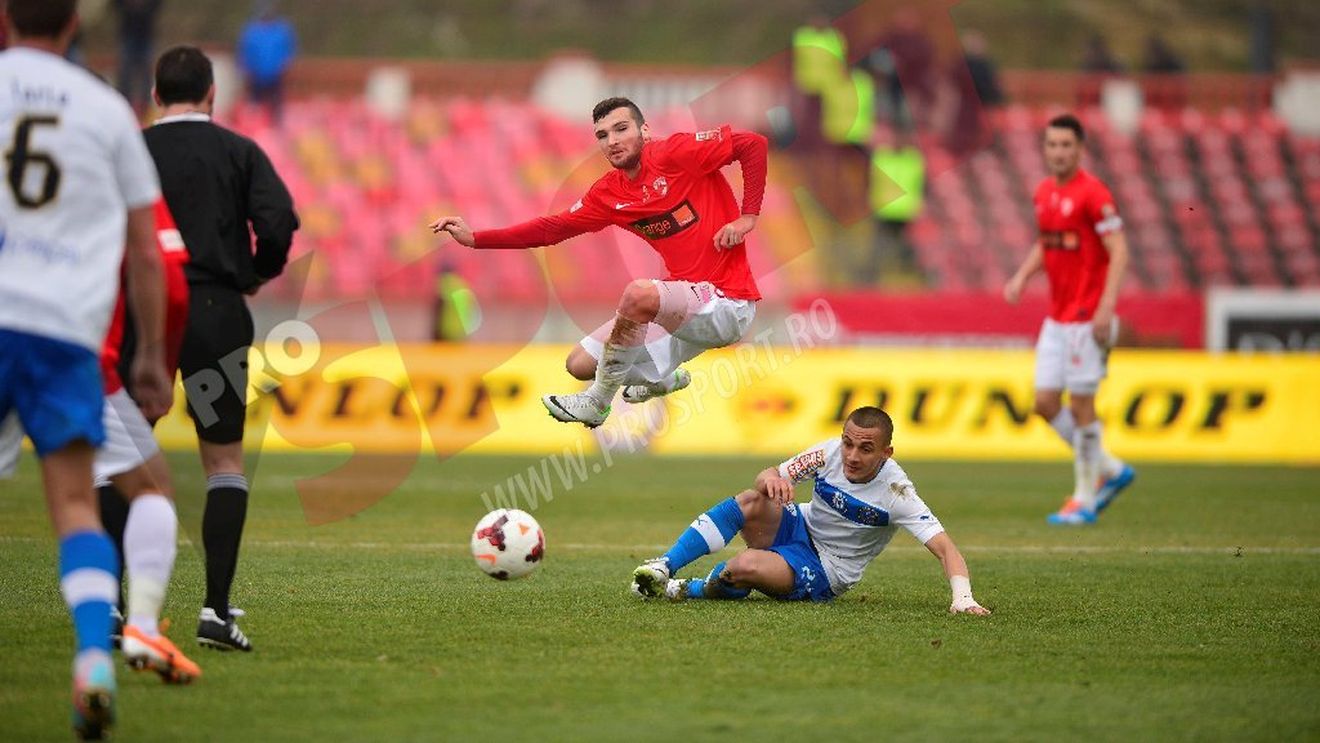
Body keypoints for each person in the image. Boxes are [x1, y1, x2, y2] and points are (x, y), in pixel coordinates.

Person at [0, 0, 172, 737]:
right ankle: (93, 657)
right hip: (65, 334)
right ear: (75, 24)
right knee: (75, 504)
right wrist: (149, 355)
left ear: (6, 17)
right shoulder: (107, 113)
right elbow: (145, 249)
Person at [429, 97, 768, 429]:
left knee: (638, 294)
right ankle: (660, 379)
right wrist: (476, 238)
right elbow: (552, 229)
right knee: (578, 364)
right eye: (603, 135)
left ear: (645, 130)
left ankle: (598, 401)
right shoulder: (609, 193)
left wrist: (747, 216)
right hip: (682, 308)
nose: (613, 141)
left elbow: (752, 145)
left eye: (621, 129)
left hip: (727, 302)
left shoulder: (674, 153)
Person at [144, 45, 299, 651]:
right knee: (223, 463)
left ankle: (109, 608)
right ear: (212, 95)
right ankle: (213, 611)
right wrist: (256, 271)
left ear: (155, 96)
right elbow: (280, 220)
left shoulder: (133, 148)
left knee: (120, 449)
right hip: (213, 309)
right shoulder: (238, 150)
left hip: (144, 309)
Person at [630, 407, 990, 614]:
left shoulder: (898, 493)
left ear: (886, 453)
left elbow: (946, 548)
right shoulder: (828, 453)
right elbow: (767, 475)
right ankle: (663, 566)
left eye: (865, 449)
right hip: (796, 525)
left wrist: (963, 598)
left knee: (741, 568)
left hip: (826, 568)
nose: (851, 455)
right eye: (848, 443)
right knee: (750, 499)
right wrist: (773, 482)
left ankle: (688, 589)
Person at [1002, 114, 1136, 525]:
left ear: (1080, 149)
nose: (1058, 152)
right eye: (1052, 145)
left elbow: (1119, 249)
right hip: (1057, 318)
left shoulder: (1094, 194)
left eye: (1066, 145)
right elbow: (1048, 242)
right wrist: (1023, 276)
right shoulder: (1044, 192)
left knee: (1080, 405)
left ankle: (1084, 498)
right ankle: (1110, 469)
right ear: (1045, 150)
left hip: (1086, 316)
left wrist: (1106, 306)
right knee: (1044, 402)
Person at [237, 1, 297, 123]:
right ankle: (255, 129)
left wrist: (284, 67)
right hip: (255, 77)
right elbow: (244, 52)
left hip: (276, 76)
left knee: (276, 109)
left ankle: (274, 132)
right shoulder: (251, 31)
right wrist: (246, 69)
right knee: (255, 109)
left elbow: (289, 51)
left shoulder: (282, 30)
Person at [113, 0, 162, 113]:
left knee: (146, 73)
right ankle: (123, 105)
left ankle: (146, 107)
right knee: (125, 73)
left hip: (146, 32)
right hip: (127, 31)